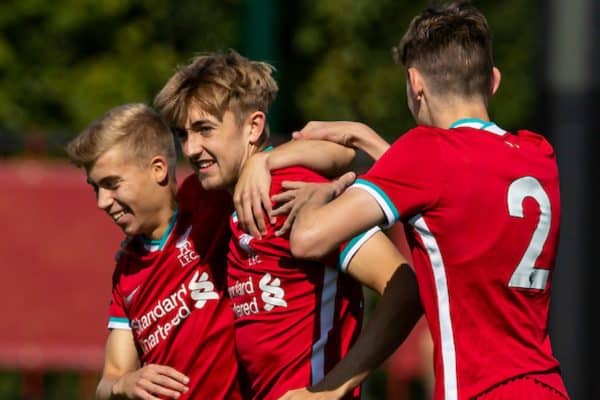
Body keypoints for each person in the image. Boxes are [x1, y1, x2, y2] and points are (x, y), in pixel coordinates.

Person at [279, 1, 569, 399]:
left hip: (479, 390)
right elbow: (447, 188)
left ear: (415, 83)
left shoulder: (426, 152)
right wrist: (364, 137)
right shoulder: (539, 155)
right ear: (494, 81)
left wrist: (325, 189)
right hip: (547, 387)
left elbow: (308, 238)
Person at [153, 49, 420, 400]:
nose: (191, 147)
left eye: (205, 129)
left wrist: (328, 390)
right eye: (183, 134)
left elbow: (405, 291)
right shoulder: (222, 201)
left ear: (254, 127)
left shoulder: (291, 191)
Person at [66, 104, 241, 399]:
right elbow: (110, 378)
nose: (102, 202)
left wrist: (260, 168)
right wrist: (125, 384)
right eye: (95, 188)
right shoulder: (127, 271)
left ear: (158, 169)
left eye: (112, 184)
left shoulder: (211, 202)